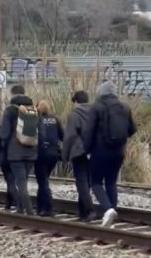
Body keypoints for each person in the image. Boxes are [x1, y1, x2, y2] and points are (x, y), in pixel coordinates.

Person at [83, 81, 137, 227]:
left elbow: (88, 131)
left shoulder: (96, 107)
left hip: (100, 151)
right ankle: (111, 214)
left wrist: (86, 150)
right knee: (111, 182)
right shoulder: (125, 107)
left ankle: (108, 209)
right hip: (119, 152)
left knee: (95, 182)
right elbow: (132, 130)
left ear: (100, 92)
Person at [0, 85, 38, 215]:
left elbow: (4, 133)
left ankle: (29, 211)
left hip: (15, 152)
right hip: (31, 150)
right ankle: (20, 208)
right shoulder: (33, 109)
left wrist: (4, 146)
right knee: (24, 179)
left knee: (20, 182)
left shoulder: (10, 110)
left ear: (12, 95)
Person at [62, 90, 95, 222]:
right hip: (94, 152)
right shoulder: (95, 113)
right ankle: (83, 212)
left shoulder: (74, 114)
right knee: (88, 183)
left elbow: (69, 136)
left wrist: (64, 154)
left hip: (79, 152)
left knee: (81, 182)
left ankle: (89, 210)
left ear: (76, 101)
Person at [34, 99, 64, 217]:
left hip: (41, 153)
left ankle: (47, 208)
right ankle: (40, 206)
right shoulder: (55, 119)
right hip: (54, 154)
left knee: (42, 180)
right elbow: (63, 136)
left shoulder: (37, 119)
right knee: (44, 179)